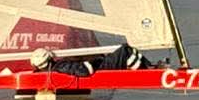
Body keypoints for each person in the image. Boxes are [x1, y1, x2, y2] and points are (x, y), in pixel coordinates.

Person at [30, 41, 162, 78]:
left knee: (125, 52)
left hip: (100, 66)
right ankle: (148, 71)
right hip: (102, 68)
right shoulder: (61, 66)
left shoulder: (55, 67)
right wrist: (97, 58)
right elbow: (84, 71)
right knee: (126, 50)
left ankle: (147, 67)